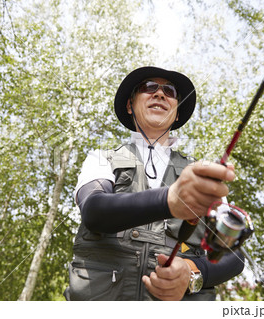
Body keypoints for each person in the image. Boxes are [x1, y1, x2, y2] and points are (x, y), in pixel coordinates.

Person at [65, 66, 244, 301]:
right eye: (148, 87)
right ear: (130, 105)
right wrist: (169, 200)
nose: (160, 94)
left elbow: (234, 255)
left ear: (177, 112)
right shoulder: (101, 158)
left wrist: (191, 273)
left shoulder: (201, 175)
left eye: (169, 91)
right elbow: (94, 211)